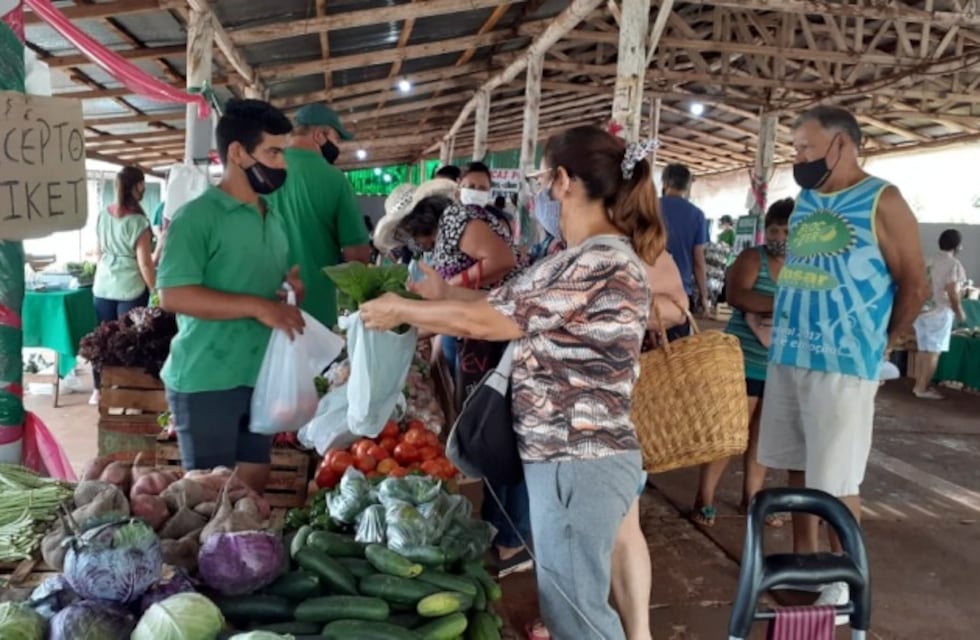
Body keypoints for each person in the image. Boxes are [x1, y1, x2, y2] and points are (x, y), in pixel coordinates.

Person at [360, 125, 663, 640]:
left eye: (547, 180)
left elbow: (495, 323)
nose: (544, 194)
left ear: (565, 180)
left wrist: (402, 308)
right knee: (590, 586)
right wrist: (436, 300)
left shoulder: (595, 262)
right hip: (595, 450)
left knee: (576, 612)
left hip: (574, 458)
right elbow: (502, 307)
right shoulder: (594, 259)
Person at [759, 105, 928, 614]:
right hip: (790, 352)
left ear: (843, 144)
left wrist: (884, 343)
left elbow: (915, 284)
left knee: (836, 478)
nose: (800, 158)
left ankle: (846, 578)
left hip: (843, 360)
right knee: (796, 464)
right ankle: (807, 564)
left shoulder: (883, 199)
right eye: (795, 150)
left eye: (807, 148)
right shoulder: (809, 199)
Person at [157, 99, 306, 494]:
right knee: (208, 494)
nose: (282, 164)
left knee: (253, 481)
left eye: (283, 153)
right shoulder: (196, 218)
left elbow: (265, 287)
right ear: (238, 153)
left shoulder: (272, 217)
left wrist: (287, 292)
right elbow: (172, 295)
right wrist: (259, 307)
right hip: (207, 376)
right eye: (273, 152)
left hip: (260, 373)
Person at [692, 198, 792, 528]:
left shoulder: (803, 267)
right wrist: (788, 304)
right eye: (776, 229)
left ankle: (752, 497)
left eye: (789, 230)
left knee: (763, 436)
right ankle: (704, 497)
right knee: (731, 432)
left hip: (778, 363)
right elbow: (737, 296)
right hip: (743, 359)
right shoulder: (753, 258)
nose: (781, 236)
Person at [270, 103, 371, 330]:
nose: (338, 147)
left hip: (263, 308)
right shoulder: (334, 179)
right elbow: (358, 257)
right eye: (336, 139)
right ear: (320, 135)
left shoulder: (264, 170)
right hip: (314, 313)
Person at [90, 165, 157, 404]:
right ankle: (126, 391)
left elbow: (98, 253)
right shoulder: (139, 222)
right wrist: (156, 290)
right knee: (128, 342)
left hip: (103, 284)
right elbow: (145, 265)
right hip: (129, 287)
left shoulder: (102, 214)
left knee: (101, 341)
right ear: (138, 185)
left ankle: (99, 390)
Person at [912, 228, 967, 399]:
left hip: (921, 310)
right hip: (939, 311)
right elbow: (952, 292)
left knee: (923, 350)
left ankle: (918, 386)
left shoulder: (927, 259)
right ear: (957, 246)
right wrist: (960, 313)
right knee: (934, 352)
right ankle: (922, 388)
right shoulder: (953, 264)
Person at [660, 163, 710, 315]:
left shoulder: (648, 207)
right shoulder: (696, 215)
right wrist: (704, 296)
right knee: (679, 339)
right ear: (688, 186)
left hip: (648, 287)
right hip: (680, 292)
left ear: (664, 182)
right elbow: (698, 260)